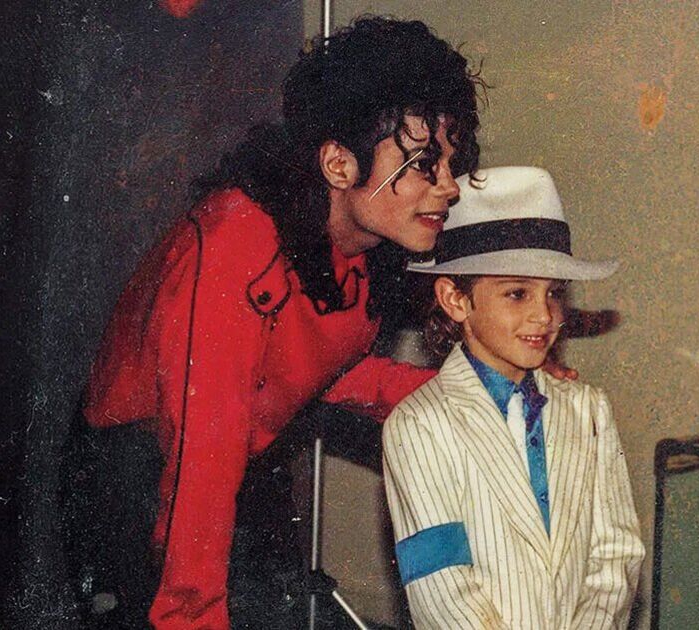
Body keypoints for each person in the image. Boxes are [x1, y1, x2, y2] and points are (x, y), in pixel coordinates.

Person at [83, 17, 485, 630]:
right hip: (139, 476)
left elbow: (312, 370)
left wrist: (484, 392)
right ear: (338, 163)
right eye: (425, 164)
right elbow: (202, 459)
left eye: (452, 162)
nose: (450, 188)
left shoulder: (355, 243)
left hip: (230, 462)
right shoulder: (234, 249)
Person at [383, 166, 645, 629]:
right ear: (456, 300)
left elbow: (616, 554)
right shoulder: (419, 425)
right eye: (518, 293)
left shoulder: (588, 410)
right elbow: (441, 588)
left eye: (554, 293)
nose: (543, 315)